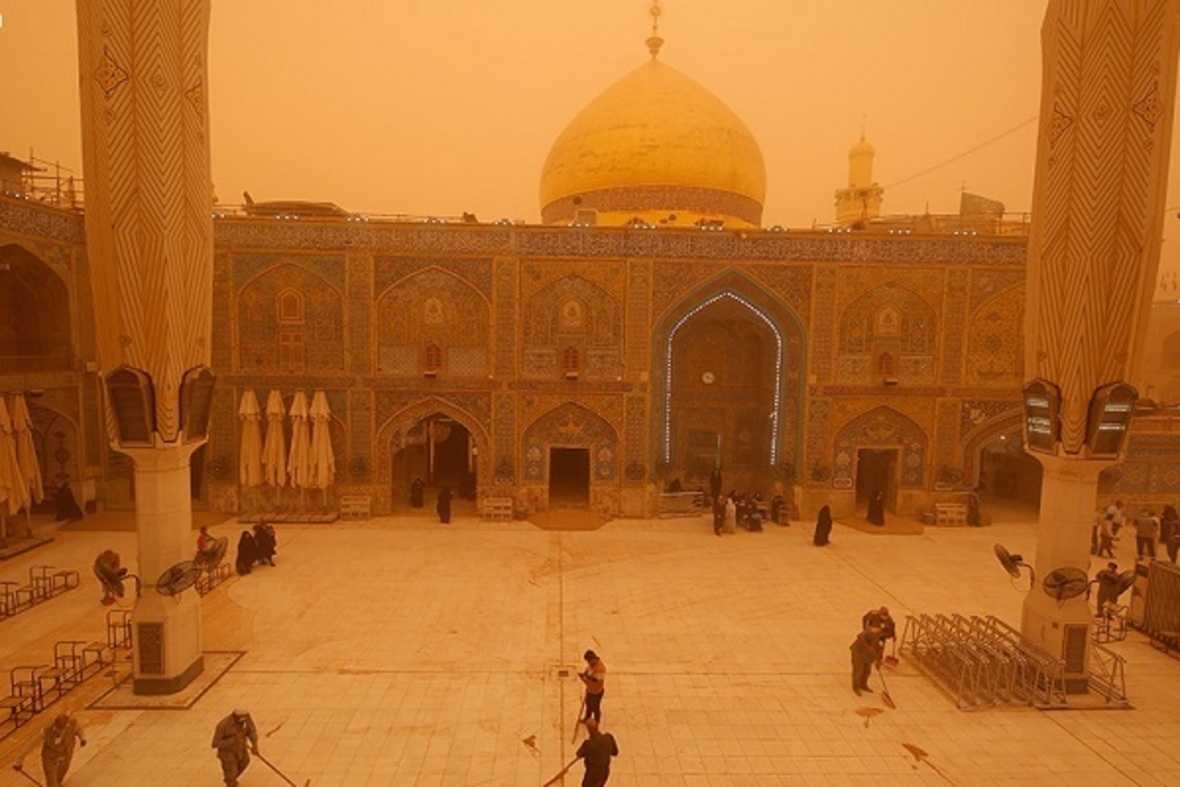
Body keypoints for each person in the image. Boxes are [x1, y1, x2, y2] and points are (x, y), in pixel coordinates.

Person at [14, 714, 86, 787]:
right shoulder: (46, 731)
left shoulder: (72, 723)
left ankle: (57, 784)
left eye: (62, 728)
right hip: (50, 756)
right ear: (55, 725)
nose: (60, 731)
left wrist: (82, 738)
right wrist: (19, 760)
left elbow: (79, 729)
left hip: (67, 752)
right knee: (51, 781)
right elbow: (31, 745)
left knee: (62, 772)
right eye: (59, 728)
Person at [212, 709, 259, 787]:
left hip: (241, 749)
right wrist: (231, 741)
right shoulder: (223, 725)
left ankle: (230, 779)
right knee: (231, 770)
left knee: (245, 762)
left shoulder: (246, 720)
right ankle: (230, 782)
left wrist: (254, 744)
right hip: (228, 753)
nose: (243, 720)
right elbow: (215, 743)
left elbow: (251, 731)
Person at [575, 717, 618, 787]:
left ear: (588, 730)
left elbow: (579, 754)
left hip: (592, 774)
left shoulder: (588, 744)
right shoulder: (608, 738)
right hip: (604, 771)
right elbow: (615, 752)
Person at [850, 626, 884, 696]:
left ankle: (863, 685)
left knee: (867, 670)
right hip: (858, 652)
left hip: (868, 655)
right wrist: (869, 648)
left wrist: (878, 660)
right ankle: (856, 687)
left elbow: (880, 648)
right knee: (858, 670)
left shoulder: (881, 636)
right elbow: (860, 638)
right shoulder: (868, 632)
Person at [578, 649, 606, 724]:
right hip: (590, 691)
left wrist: (584, 679)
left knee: (595, 707)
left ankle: (596, 722)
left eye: (588, 661)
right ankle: (587, 718)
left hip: (596, 692)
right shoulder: (592, 664)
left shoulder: (600, 669)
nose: (588, 663)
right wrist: (584, 674)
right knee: (588, 705)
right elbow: (588, 670)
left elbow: (593, 683)